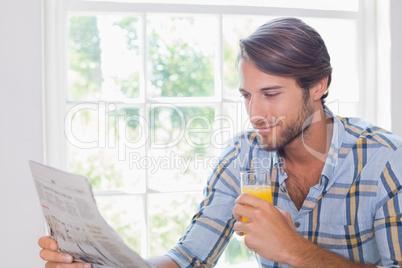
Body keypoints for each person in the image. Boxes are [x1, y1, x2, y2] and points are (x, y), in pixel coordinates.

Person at [38, 17, 402, 267]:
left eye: (271, 93)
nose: (255, 112)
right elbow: (189, 258)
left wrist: (296, 251)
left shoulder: (385, 162)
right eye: (247, 95)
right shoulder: (243, 154)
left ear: (319, 86)